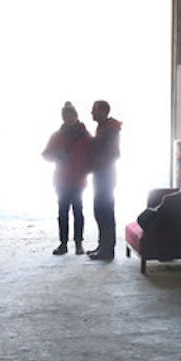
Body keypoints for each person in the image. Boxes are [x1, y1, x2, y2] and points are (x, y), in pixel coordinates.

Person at [40, 101, 92, 256]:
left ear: (76, 116)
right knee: (63, 212)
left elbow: (92, 155)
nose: (67, 119)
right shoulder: (57, 136)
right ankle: (63, 244)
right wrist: (58, 156)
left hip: (77, 179)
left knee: (77, 212)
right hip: (62, 179)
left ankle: (78, 244)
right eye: (64, 116)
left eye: (69, 116)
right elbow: (45, 154)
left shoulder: (85, 136)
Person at [86, 99, 122, 261]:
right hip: (101, 173)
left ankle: (107, 250)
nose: (91, 113)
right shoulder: (103, 128)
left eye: (94, 110)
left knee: (105, 212)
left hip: (106, 174)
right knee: (100, 212)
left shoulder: (110, 130)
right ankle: (103, 246)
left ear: (102, 112)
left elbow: (112, 153)